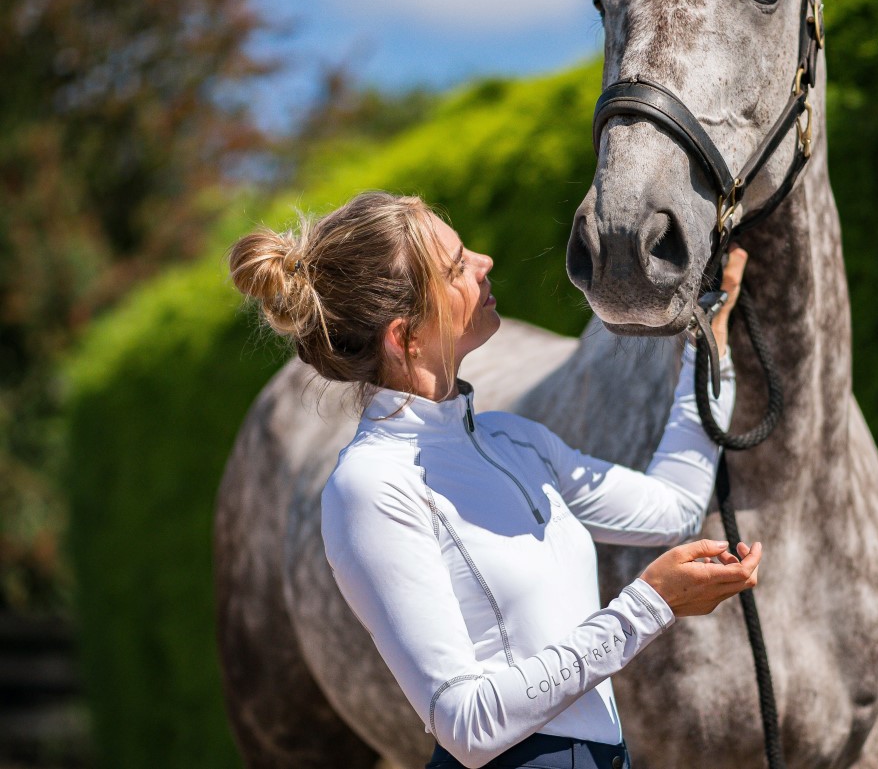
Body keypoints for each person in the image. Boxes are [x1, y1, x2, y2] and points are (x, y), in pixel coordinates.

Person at [229, 190, 760, 769]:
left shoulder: (515, 441)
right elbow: (466, 723)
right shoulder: (372, 487)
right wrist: (649, 604)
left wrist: (712, 353)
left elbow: (674, 510)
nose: (483, 263)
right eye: (457, 267)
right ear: (405, 337)